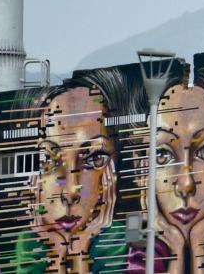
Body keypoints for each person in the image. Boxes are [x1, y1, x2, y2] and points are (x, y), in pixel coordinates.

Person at [129, 65, 204, 274]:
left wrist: (198, 246)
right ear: (141, 165)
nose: (185, 184)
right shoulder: (137, 226)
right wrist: (176, 253)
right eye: (162, 155)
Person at [13, 69, 135, 274]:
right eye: (47, 160)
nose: (70, 192)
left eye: (94, 159)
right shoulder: (29, 242)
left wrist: (80, 250)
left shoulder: (123, 241)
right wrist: (56, 256)